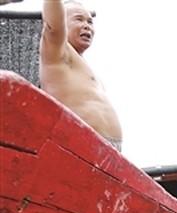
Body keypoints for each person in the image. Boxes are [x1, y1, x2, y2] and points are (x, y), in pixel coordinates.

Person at [40, 1, 123, 151]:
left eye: (90, 22)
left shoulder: (87, 69)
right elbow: (54, 25)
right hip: (80, 145)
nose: (87, 26)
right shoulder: (56, 52)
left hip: (111, 150)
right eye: (79, 19)